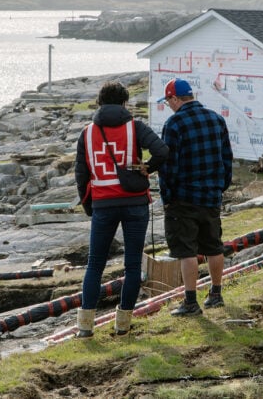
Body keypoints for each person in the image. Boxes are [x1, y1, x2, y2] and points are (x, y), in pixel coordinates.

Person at [74, 80, 169, 337]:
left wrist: (89, 207)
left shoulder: (87, 133)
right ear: (125, 102)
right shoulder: (135, 127)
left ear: (99, 102)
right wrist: (147, 167)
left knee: (95, 265)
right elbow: (162, 151)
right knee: (132, 266)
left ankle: (85, 327)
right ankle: (123, 326)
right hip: (135, 202)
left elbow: (81, 175)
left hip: (103, 204)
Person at [157, 78, 233, 316]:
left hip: (183, 198)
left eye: (168, 101)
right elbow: (227, 158)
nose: (168, 105)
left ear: (175, 98)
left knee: (186, 251)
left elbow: (169, 166)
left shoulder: (174, 124)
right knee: (214, 246)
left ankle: (190, 302)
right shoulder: (216, 119)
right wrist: (221, 187)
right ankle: (216, 294)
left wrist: (167, 197)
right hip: (211, 196)